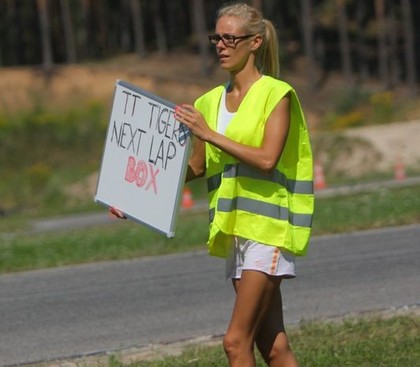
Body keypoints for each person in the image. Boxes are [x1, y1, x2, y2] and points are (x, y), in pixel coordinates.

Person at [174, 3, 314, 367]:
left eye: (229, 38)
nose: (220, 45)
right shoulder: (209, 102)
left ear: (254, 42)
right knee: (274, 347)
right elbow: (196, 166)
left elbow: (267, 158)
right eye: (216, 37)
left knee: (236, 342)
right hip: (234, 232)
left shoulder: (276, 94)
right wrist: (137, 197)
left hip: (268, 230)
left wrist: (208, 133)